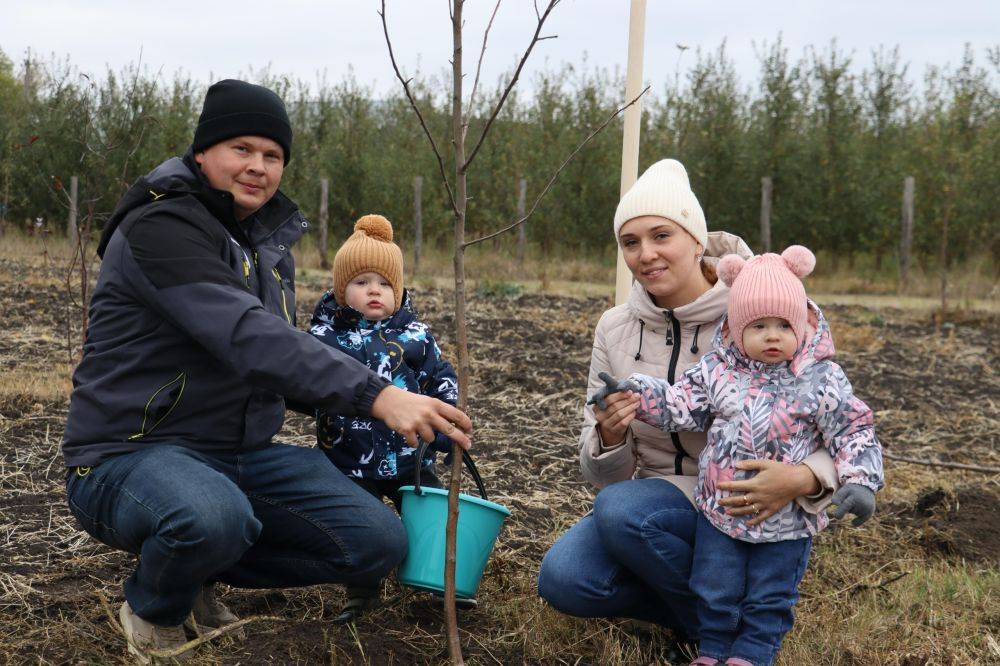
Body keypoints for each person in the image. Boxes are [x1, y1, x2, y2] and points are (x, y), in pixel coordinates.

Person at [61, 79, 471, 662]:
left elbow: (283, 357)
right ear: (203, 152)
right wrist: (374, 395)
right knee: (209, 517)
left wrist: (406, 394)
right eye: (242, 149)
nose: (258, 167)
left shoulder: (266, 247)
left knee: (376, 541)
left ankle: (193, 567)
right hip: (127, 452)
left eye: (273, 155)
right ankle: (154, 606)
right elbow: (246, 335)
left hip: (237, 455)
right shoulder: (161, 227)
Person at [536, 159, 841, 657]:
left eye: (661, 235)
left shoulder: (758, 310)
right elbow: (601, 475)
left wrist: (802, 480)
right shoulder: (614, 329)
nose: (646, 254)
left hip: (747, 494)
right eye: (630, 242)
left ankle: (733, 630)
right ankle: (716, 618)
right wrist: (610, 436)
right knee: (566, 580)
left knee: (622, 514)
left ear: (697, 240)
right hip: (661, 503)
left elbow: (837, 421)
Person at [592, 246, 884, 666]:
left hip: (785, 519)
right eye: (759, 325)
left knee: (771, 590)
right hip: (720, 509)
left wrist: (860, 480)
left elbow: (853, 428)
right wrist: (635, 393)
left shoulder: (822, 379)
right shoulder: (720, 371)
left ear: (802, 325)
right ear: (736, 328)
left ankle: (752, 652)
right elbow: (680, 404)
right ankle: (713, 648)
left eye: (784, 324)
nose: (772, 335)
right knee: (714, 584)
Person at [308, 213, 460, 621]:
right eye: (361, 282)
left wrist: (446, 422)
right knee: (362, 527)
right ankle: (362, 593)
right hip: (348, 460)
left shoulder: (415, 335)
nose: (374, 291)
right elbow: (306, 384)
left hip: (412, 456)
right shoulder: (323, 340)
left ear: (399, 289)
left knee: (430, 515)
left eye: (385, 283)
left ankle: (441, 583)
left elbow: (440, 377)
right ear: (342, 290)